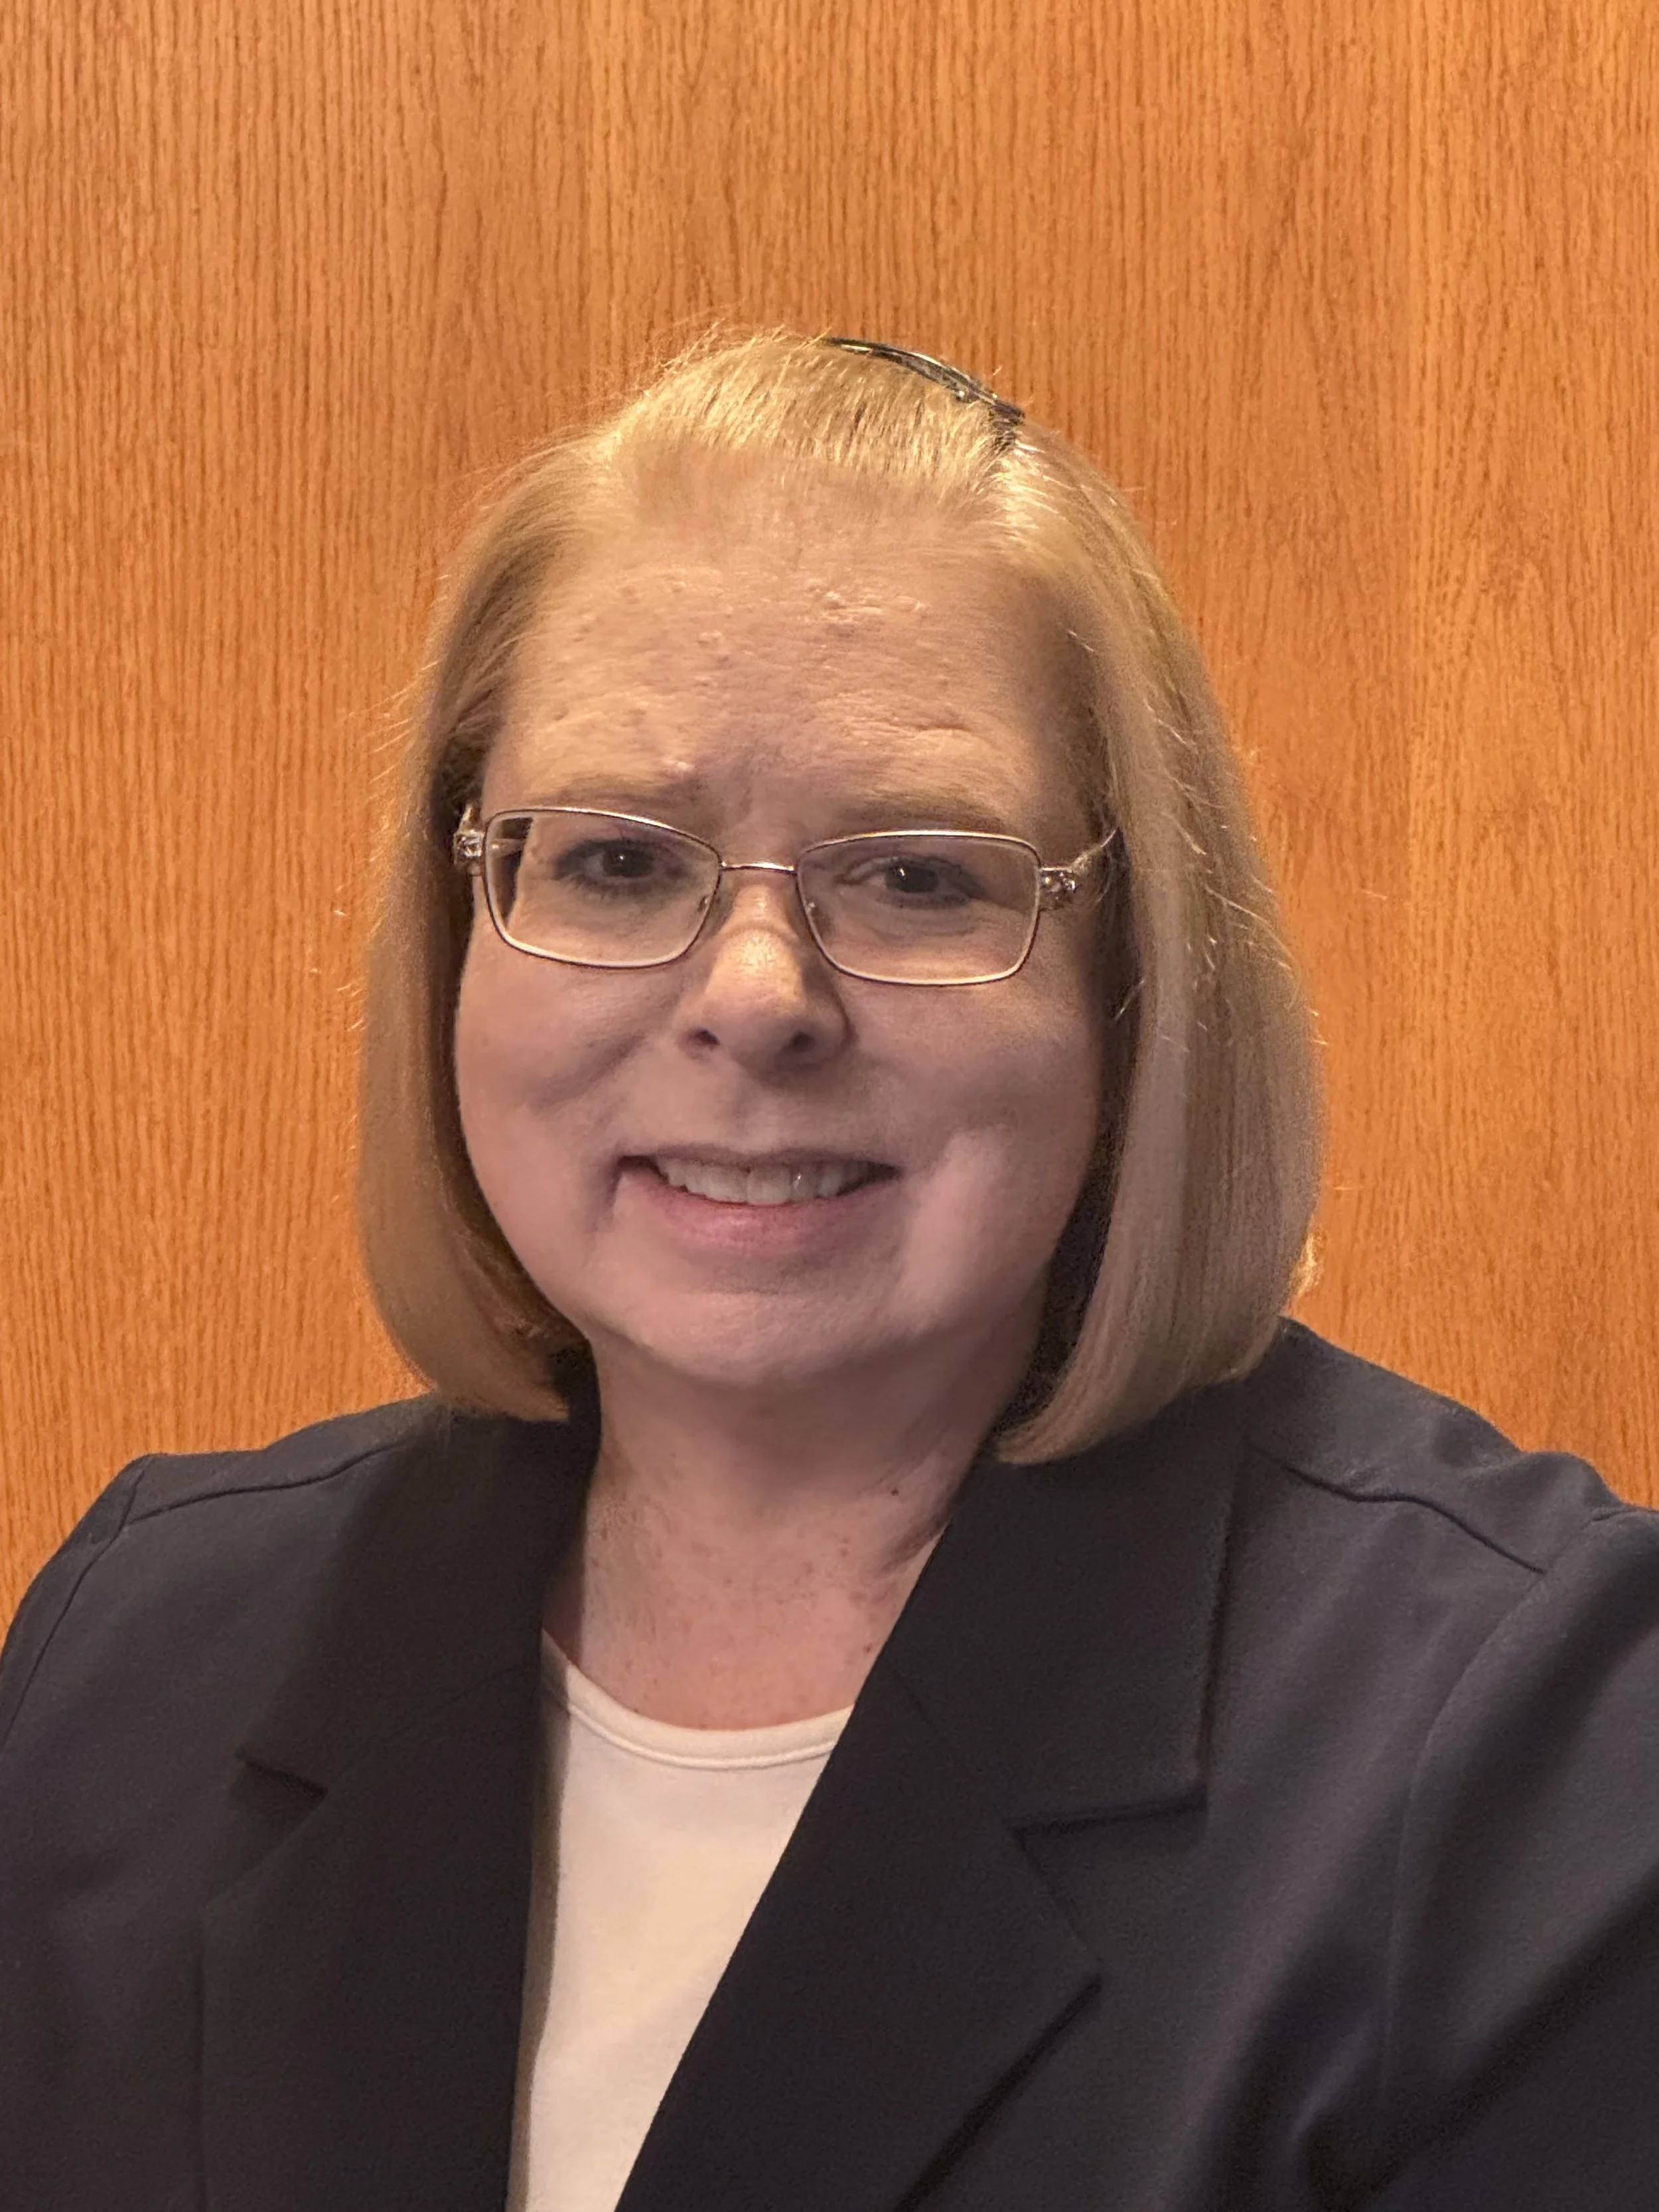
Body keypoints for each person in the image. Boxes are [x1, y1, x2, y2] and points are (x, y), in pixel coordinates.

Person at [3, 332, 1658, 2212]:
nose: (754, 997)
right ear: (460, 929)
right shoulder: (138, 1651)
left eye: (918, 875)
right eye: (616, 862)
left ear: (1132, 986)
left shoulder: (1542, 1748)